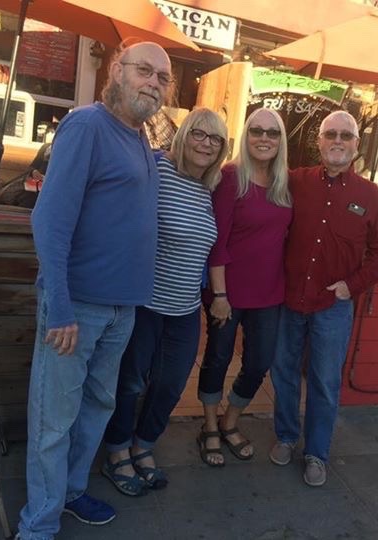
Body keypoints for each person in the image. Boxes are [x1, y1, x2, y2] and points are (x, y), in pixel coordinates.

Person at [15, 41, 172, 540]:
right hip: (75, 308)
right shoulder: (86, 125)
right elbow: (51, 220)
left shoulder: (141, 136)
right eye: (144, 70)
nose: (153, 82)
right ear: (117, 72)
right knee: (54, 420)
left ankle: (71, 492)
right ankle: (37, 526)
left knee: (95, 409)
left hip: (121, 309)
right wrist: (59, 307)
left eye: (163, 77)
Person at [102, 107, 228, 495]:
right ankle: (117, 450)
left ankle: (144, 446)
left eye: (216, 139)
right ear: (184, 135)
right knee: (131, 382)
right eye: (199, 135)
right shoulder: (156, 169)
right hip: (145, 302)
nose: (207, 144)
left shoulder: (211, 186)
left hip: (186, 309)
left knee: (172, 385)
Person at [269, 110, 378, 487]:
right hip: (290, 299)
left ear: (356, 145)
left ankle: (316, 453)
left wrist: (349, 287)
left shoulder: (370, 195)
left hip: (333, 306)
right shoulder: (295, 181)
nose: (338, 141)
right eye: (331, 135)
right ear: (319, 142)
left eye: (346, 136)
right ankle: (287, 436)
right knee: (284, 373)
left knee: (324, 381)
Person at [197, 108, 292, 467]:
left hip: (269, 294)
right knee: (218, 358)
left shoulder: (285, 183)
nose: (264, 138)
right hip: (228, 292)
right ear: (246, 135)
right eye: (257, 130)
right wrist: (219, 296)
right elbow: (217, 242)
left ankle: (229, 421)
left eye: (272, 132)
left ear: (281, 140)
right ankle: (208, 427)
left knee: (259, 362)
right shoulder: (231, 177)